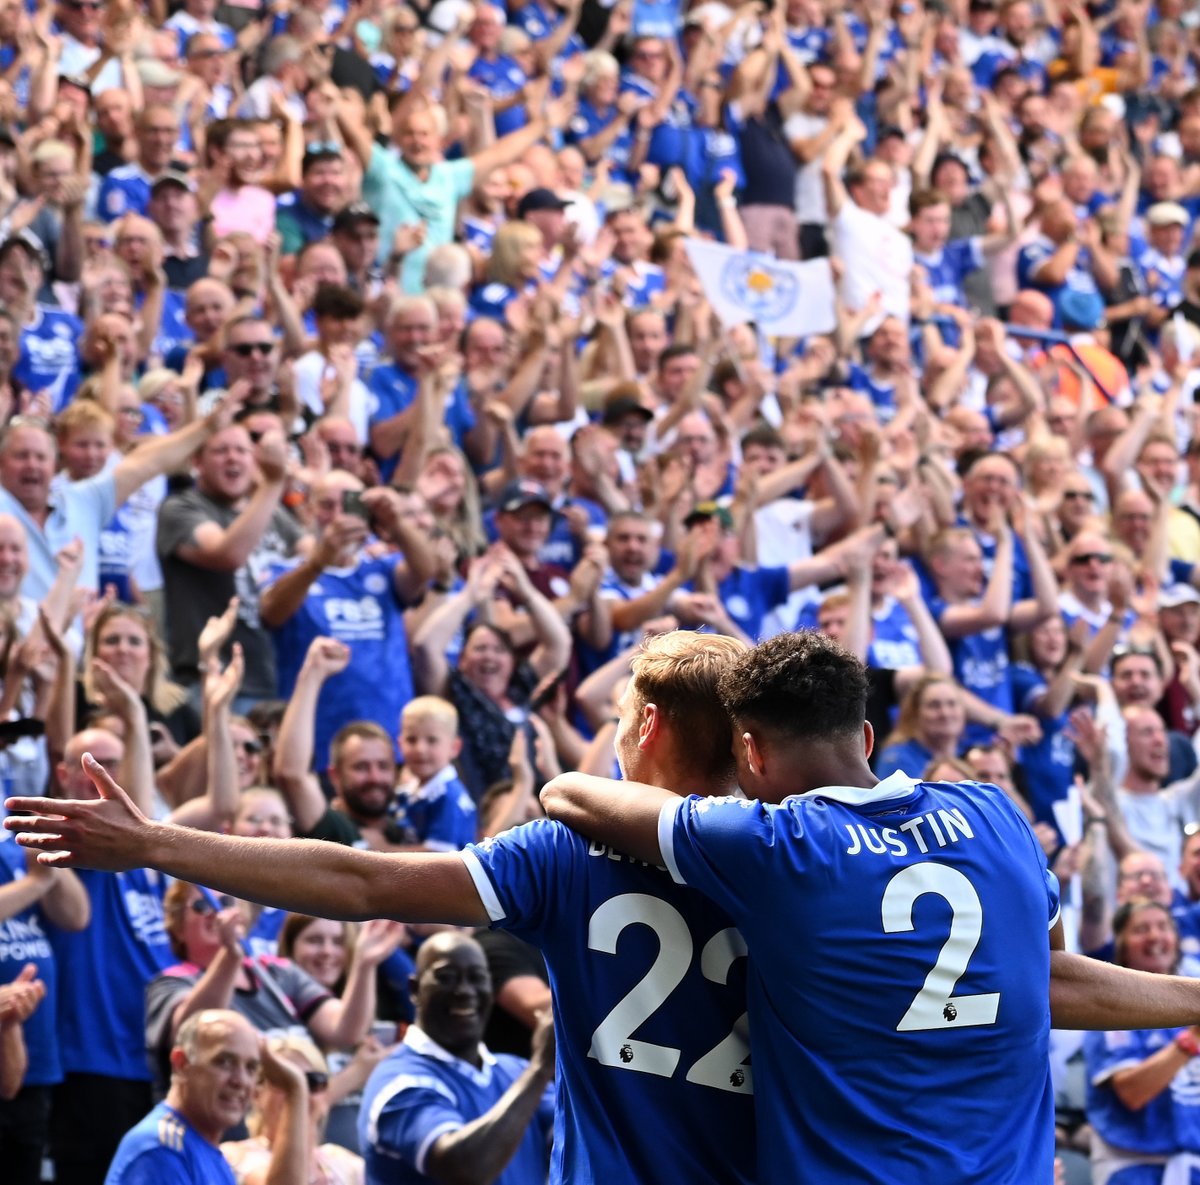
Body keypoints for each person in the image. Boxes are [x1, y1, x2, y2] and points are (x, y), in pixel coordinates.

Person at [21, 634, 1200, 1183]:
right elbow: (1045, 985)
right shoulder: (842, 852)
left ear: (639, 729)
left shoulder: (575, 858)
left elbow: (363, 879)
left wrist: (160, 842)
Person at [539, 630, 1061, 1184]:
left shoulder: (776, 845)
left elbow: (569, 795)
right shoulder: (992, 811)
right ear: (865, 738)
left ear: (751, 752)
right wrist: (1171, 996)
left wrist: (557, 779)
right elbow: (1053, 971)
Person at [358, 933, 554, 1185]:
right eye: (446, 977)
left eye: (477, 978)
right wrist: (541, 1068)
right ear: (415, 989)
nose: (464, 991)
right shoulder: (399, 1081)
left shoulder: (514, 1071)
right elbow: (464, 1169)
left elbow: (584, 1138)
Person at [104, 1009, 308, 1185]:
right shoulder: (163, 1150)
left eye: (251, 1068)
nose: (241, 1081)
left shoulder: (204, 1148)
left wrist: (296, 1088)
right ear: (181, 1064)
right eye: (224, 1062)